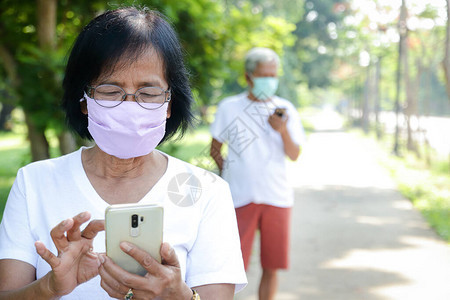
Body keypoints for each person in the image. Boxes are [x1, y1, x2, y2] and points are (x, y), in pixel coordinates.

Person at [0, 7, 247, 300]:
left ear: (169, 104)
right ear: (84, 99)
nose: (129, 105)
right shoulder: (34, 183)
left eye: (148, 92)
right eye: (110, 90)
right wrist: (49, 287)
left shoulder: (208, 192)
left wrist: (180, 296)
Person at [209, 47, 306, 300]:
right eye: (264, 75)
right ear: (248, 76)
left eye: (273, 75)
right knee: (231, 267)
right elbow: (215, 149)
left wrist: (282, 131)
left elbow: (294, 154)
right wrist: (228, 175)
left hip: (277, 196)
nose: (269, 80)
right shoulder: (229, 107)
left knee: (272, 265)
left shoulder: (285, 108)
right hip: (239, 196)